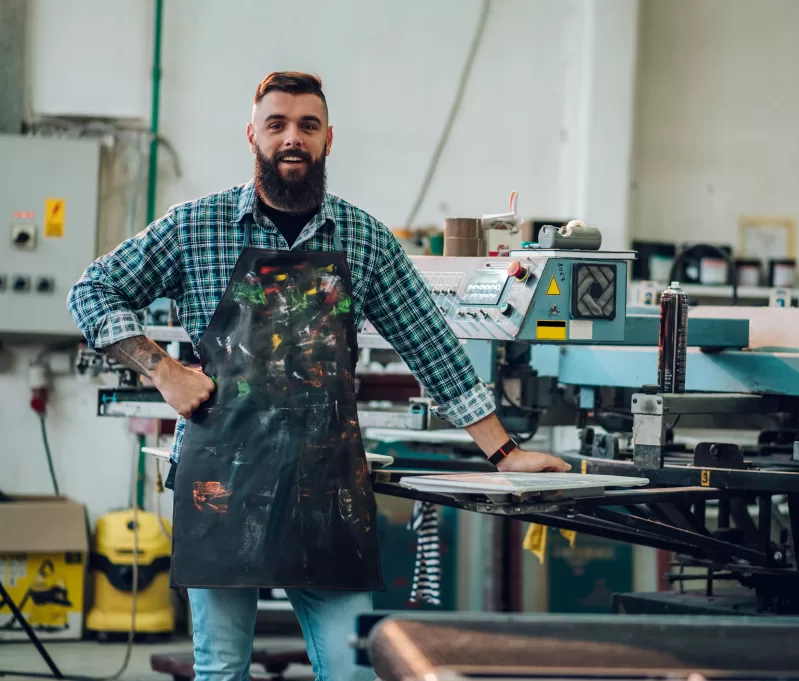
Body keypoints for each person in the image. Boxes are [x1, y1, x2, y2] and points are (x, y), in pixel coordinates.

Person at [68, 71, 569, 681]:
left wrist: (505, 453)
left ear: (329, 138)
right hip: (221, 486)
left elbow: (431, 345)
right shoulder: (194, 226)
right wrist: (163, 369)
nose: (292, 138)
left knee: (353, 669)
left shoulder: (363, 237)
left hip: (326, 490)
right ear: (252, 135)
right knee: (222, 669)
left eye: (307, 125)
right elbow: (93, 291)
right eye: (276, 124)